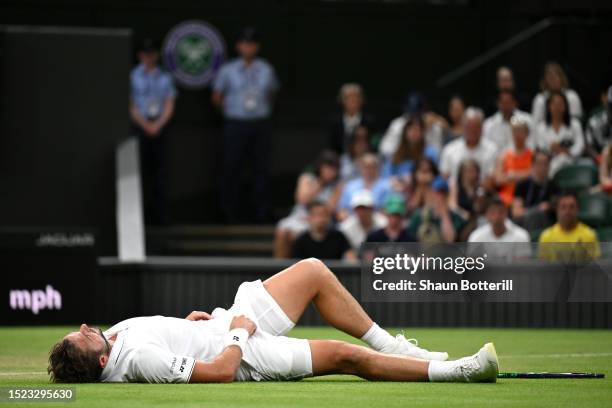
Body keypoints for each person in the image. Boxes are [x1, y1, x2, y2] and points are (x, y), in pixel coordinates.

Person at [48, 258, 498, 384]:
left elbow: (166, 338)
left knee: (314, 272)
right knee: (345, 357)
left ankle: (394, 347)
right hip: (244, 352)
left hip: (219, 325)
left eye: (82, 328)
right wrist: (240, 332)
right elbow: (221, 373)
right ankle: (456, 371)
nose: (87, 327)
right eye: (84, 337)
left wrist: (185, 326)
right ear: (103, 363)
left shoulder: (116, 340)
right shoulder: (138, 361)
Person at [212, 27, 280, 223]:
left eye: (252, 44)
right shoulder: (228, 70)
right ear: (238, 46)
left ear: (256, 47)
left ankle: (262, 213)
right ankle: (228, 213)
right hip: (235, 124)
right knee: (231, 168)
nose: (248, 48)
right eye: (244, 44)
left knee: (262, 169)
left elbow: (272, 93)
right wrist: (232, 112)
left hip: (260, 124)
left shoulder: (266, 69)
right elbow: (217, 97)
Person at [130, 39, 177, 225]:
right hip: (139, 127)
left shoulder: (165, 78)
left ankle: (161, 216)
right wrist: (144, 124)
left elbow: (169, 104)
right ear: (140, 55)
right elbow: (131, 106)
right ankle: (138, 218)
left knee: (160, 174)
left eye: (152, 54)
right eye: (145, 54)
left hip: (159, 127)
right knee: (138, 173)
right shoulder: (132, 77)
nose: (149, 57)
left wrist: (157, 124)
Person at [275, 151, 342, 258]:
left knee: (296, 236)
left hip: (321, 219)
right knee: (282, 232)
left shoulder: (338, 185)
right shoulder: (306, 178)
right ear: (320, 167)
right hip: (300, 217)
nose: (330, 172)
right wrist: (320, 183)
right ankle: (278, 270)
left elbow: (331, 208)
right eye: (328, 167)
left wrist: (316, 215)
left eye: (334, 169)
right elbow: (302, 199)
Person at [381, 115, 438, 192]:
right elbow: (386, 174)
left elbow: (435, 175)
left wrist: (413, 179)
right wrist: (395, 182)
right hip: (396, 189)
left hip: (420, 189)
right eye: (411, 129)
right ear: (405, 132)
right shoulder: (396, 152)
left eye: (417, 130)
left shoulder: (430, 152)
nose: (414, 133)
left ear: (422, 133)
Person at [439, 107, 497, 183]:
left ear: (482, 128)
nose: (472, 130)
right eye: (469, 127)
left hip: (482, 192)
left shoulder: (492, 150)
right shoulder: (449, 150)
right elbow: (444, 177)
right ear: (462, 127)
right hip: (455, 192)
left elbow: (492, 178)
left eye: (475, 127)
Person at [379, 92, 448, 156]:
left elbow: (437, 153)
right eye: (411, 113)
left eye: (417, 113)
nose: (414, 117)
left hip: (424, 165)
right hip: (401, 163)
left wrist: (426, 131)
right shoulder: (397, 124)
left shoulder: (433, 125)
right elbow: (385, 150)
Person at [533, 91, 584, 177]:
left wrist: (567, 151)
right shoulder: (541, 127)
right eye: (554, 104)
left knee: (563, 158)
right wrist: (552, 148)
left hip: (571, 161)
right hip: (549, 162)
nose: (557, 108)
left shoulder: (575, 124)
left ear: (565, 107)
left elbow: (580, 145)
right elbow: (540, 146)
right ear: (549, 107)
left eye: (560, 104)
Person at [538, 192, 601, 260]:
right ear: (557, 210)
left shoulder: (589, 235)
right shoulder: (546, 236)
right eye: (563, 207)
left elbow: (595, 267)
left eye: (572, 207)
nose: (567, 211)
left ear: (578, 209)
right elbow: (543, 267)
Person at [407, 177, 465, 243]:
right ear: (431, 193)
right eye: (437, 192)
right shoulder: (419, 215)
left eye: (443, 193)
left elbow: (450, 239)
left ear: (447, 195)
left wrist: (444, 214)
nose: (440, 196)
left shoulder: (454, 217)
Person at [511, 151, 559, 231]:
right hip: (524, 221)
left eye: (545, 164)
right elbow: (516, 212)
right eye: (539, 163)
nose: (542, 167)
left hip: (544, 223)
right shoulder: (522, 185)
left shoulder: (554, 187)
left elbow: (555, 208)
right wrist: (537, 209)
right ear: (533, 165)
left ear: (549, 166)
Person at [336, 153, 391, 221]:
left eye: (372, 167)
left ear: (377, 168)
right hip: (353, 222)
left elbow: (388, 211)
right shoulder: (350, 186)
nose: (369, 170)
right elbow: (342, 211)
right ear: (361, 168)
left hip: (377, 223)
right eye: (366, 167)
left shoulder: (386, 186)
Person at [493, 115, 533, 207]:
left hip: (526, 197)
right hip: (506, 198)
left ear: (526, 134)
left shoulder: (533, 155)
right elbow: (498, 179)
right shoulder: (503, 156)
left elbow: (534, 175)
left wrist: (513, 175)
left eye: (520, 131)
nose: (517, 135)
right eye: (515, 131)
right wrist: (524, 175)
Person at [329, 83, 375, 154]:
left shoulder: (369, 121)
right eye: (348, 97)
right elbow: (331, 146)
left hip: (364, 159)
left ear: (361, 100)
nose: (353, 100)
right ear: (342, 100)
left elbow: (373, 144)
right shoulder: (335, 122)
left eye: (356, 97)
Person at [482, 90, 532, 156]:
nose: (505, 106)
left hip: (522, 157)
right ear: (498, 104)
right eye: (503, 103)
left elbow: (531, 143)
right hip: (496, 161)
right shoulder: (489, 124)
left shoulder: (527, 120)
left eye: (508, 103)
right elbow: (486, 147)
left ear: (515, 103)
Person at [585, 84, 612, 159]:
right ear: (604, 98)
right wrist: (599, 158)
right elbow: (589, 146)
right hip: (603, 159)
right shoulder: (593, 122)